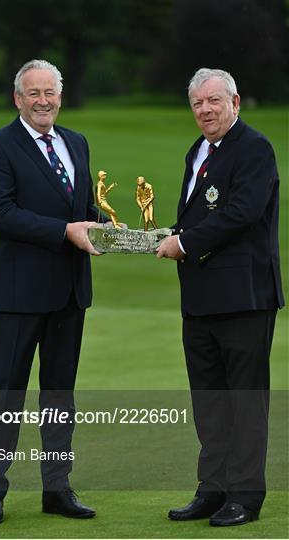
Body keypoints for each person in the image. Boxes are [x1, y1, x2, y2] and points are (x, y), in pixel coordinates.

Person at [0, 59, 105, 524]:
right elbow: (0, 215)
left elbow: (81, 205)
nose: (43, 101)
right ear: (18, 98)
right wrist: (67, 231)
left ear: (60, 96)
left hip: (69, 292)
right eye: (34, 93)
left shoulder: (76, 142)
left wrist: (104, 227)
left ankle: (57, 488)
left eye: (50, 92)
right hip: (17, 294)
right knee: (5, 395)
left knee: (59, 396)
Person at [157, 68, 284, 527]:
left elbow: (242, 214)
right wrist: (155, 236)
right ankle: (212, 489)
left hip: (244, 297)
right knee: (209, 400)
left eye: (214, 101)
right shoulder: (199, 151)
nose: (205, 110)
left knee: (244, 401)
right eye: (197, 104)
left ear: (234, 101)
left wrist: (184, 244)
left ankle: (245, 497)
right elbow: (192, 220)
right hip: (201, 298)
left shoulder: (254, 149)